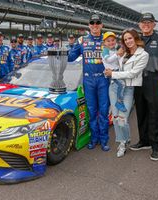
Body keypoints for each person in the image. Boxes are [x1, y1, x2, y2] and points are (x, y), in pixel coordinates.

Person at [130, 13, 158, 161]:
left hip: (155, 80)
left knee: (156, 114)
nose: (146, 24)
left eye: (149, 22)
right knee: (141, 112)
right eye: (144, 22)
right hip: (138, 80)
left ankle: (156, 147)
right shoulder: (136, 40)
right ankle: (144, 141)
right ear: (139, 24)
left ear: (154, 24)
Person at [68, 14, 110, 151]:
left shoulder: (107, 40)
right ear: (89, 25)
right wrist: (59, 53)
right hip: (88, 80)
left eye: (98, 22)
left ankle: (104, 139)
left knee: (103, 111)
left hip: (104, 79)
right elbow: (70, 57)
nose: (95, 25)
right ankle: (94, 138)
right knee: (92, 111)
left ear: (101, 25)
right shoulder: (82, 40)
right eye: (92, 22)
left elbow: (119, 55)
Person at [104, 29, 149, 157]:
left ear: (135, 38)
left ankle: (125, 140)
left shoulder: (143, 55)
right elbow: (109, 61)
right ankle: (122, 143)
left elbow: (133, 73)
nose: (128, 41)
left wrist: (113, 73)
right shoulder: (122, 52)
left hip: (128, 89)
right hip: (114, 87)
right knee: (116, 118)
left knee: (123, 119)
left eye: (130, 38)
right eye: (125, 39)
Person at [102, 32, 127, 112]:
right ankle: (118, 103)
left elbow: (118, 60)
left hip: (116, 72)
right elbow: (108, 60)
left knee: (120, 87)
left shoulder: (114, 50)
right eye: (108, 41)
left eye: (113, 40)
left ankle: (114, 106)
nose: (111, 42)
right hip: (111, 73)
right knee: (121, 85)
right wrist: (117, 54)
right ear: (104, 43)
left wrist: (120, 54)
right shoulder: (105, 50)